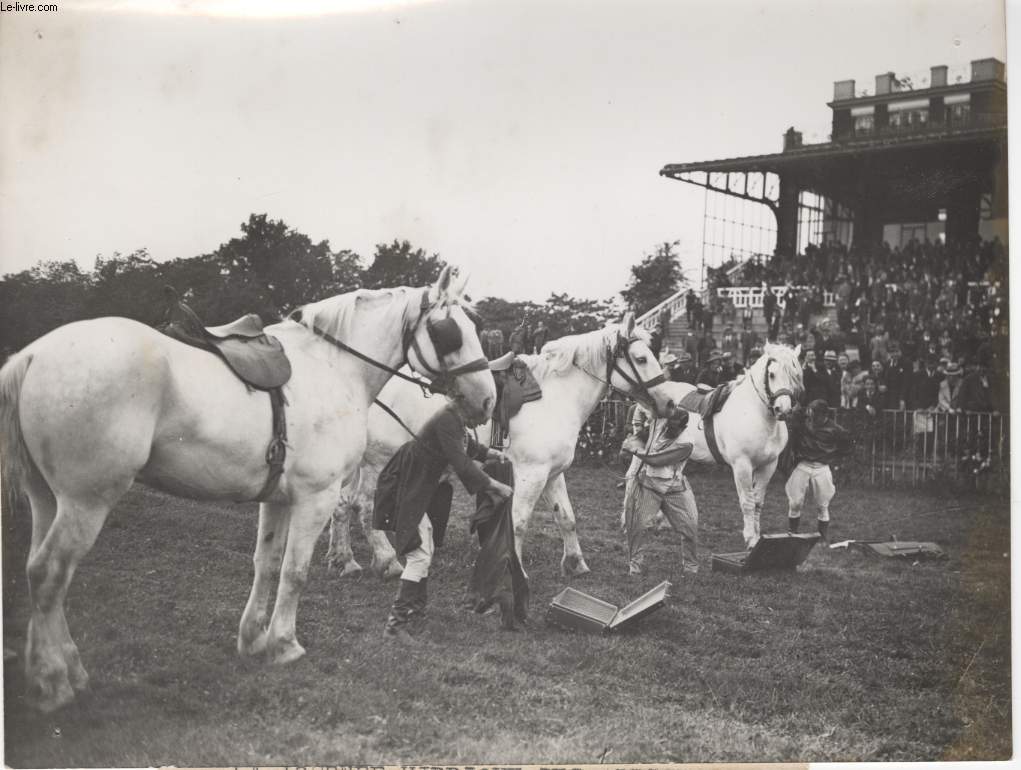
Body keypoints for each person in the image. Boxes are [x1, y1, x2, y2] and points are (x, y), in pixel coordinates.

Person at [373, 399, 512, 643]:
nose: (484, 422)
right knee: (419, 554)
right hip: (407, 489)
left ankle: (415, 613)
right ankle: (395, 626)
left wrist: (489, 453)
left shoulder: (454, 418)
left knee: (425, 548)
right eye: (482, 416)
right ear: (472, 406)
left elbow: (463, 446)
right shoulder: (448, 419)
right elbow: (462, 464)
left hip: (416, 489)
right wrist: (497, 486)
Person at [621, 408, 697, 575]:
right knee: (636, 526)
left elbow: (656, 461)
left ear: (683, 427)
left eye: (674, 428)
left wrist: (634, 450)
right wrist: (632, 440)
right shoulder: (660, 424)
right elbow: (641, 436)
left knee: (690, 526)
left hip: (675, 487)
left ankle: (691, 568)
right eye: (668, 425)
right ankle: (635, 567)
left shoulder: (687, 443)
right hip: (648, 484)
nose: (669, 430)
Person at [784, 399, 852, 545]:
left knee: (823, 505)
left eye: (814, 413)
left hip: (822, 467)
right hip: (803, 464)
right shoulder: (804, 423)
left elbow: (847, 445)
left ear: (824, 415)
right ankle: (792, 532)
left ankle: (822, 537)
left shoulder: (835, 429)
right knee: (795, 502)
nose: (811, 415)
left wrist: (834, 459)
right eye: (810, 411)